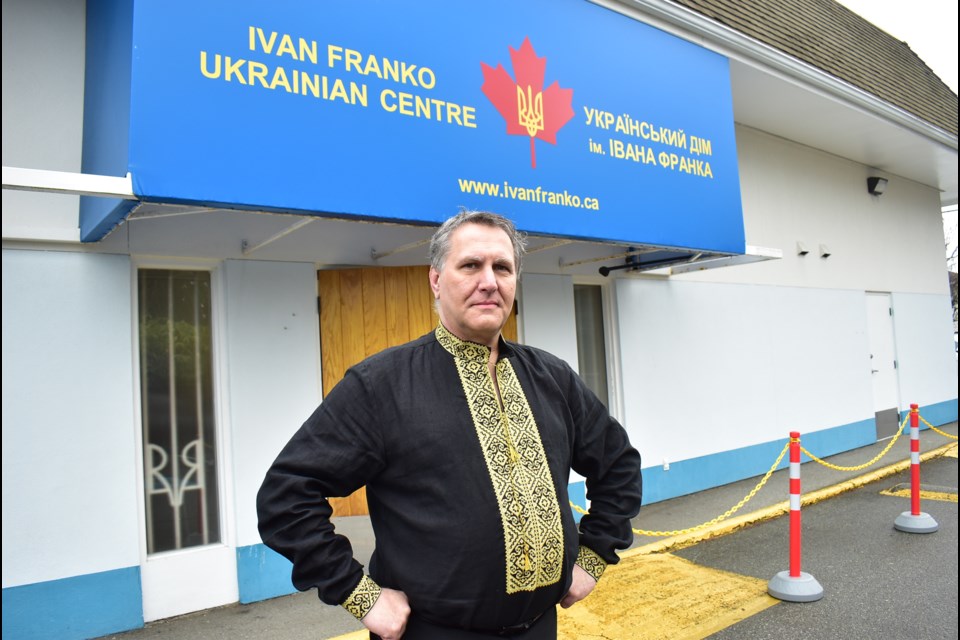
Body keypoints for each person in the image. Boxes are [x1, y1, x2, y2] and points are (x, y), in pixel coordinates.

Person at [257, 211, 642, 639]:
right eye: (470, 265)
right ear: (436, 280)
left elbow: (618, 465)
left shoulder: (552, 377)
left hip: (539, 628)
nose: (489, 282)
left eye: (502, 267)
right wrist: (359, 594)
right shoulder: (381, 384)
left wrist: (593, 558)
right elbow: (286, 496)